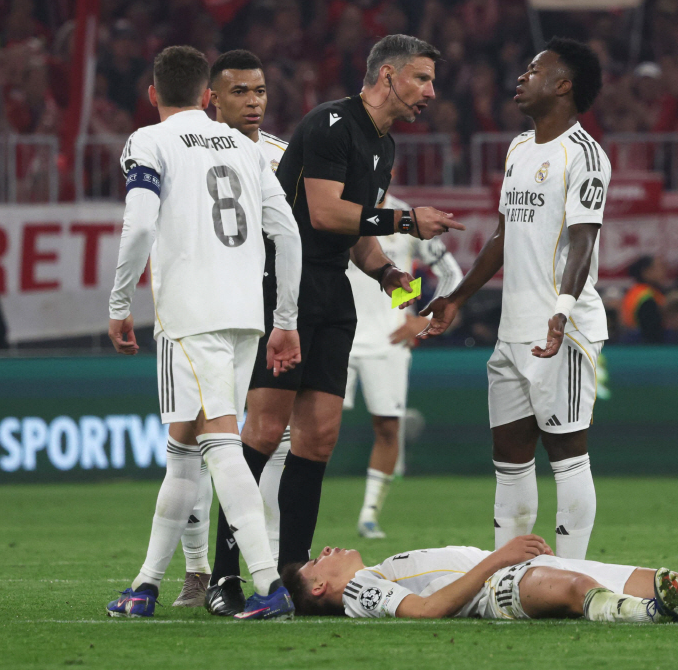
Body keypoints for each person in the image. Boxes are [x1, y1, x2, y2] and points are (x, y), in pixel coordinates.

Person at [205, 34, 465, 614]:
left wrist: (386, 272)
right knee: (264, 432)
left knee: (319, 437)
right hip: (285, 289)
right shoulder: (331, 124)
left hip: (333, 291)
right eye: (422, 78)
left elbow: (354, 234)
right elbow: (324, 213)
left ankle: (291, 572)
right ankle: (224, 575)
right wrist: (406, 220)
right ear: (388, 76)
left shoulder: (383, 144)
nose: (431, 91)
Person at [105, 45, 303, 620]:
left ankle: (267, 584)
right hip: (245, 314)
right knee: (184, 448)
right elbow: (287, 233)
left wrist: (120, 302)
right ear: (206, 95)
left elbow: (139, 223)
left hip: (190, 317)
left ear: (153, 94)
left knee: (219, 443)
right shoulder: (246, 148)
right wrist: (285, 320)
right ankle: (145, 586)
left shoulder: (149, 141)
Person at [421, 38, 609, 560]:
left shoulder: (586, 154)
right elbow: (504, 236)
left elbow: (583, 241)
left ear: (563, 86)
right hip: (513, 331)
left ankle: (567, 576)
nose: (523, 77)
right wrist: (457, 297)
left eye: (535, 70)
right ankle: (507, 574)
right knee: (509, 455)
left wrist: (562, 311)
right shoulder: (519, 147)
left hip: (561, 329)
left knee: (567, 452)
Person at [167, 50, 289, 609]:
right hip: (206, 313)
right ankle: (201, 571)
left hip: (262, 317)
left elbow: (296, 235)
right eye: (241, 92)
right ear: (210, 98)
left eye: (260, 91)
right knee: (197, 440)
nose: (254, 102)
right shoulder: (183, 149)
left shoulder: (279, 155)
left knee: (264, 440)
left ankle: (258, 567)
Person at [279, 537, 678, 623]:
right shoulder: (360, 590)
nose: (326, 551)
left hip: (510, 570)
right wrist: (497, 560)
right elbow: (425, 611)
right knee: (567, 588)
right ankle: (651, 615)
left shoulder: (369, 574)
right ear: (322, 589)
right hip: (498, 589)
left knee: (670, 579)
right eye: (315, 563)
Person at [344, 188, 463, 539]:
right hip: (337, 335)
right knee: (317, 428)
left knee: (387, 428)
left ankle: (369, 516)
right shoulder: (339, 207)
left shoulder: (406, 217)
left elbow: (451, 273)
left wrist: (421, 321)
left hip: (389, 340)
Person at [619, 256, 668, 343]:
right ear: (646, 272)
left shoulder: (636, 291)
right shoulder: (646, 297)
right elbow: (652, 331)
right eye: (658, 268)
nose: (664, 272)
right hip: (642, 343)